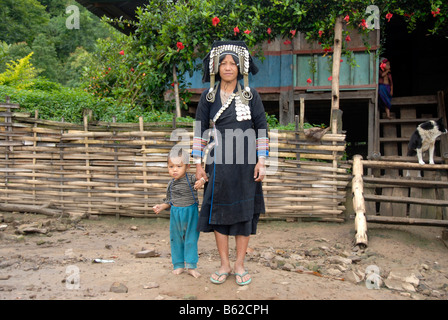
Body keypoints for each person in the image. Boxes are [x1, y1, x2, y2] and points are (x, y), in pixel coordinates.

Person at [192, 41, 269, 286]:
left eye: (232, 64)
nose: (227, 67)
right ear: (216, 67)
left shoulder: (250, 95)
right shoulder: (208, 96)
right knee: (219, 213)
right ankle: (224, 264)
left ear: (239, 68)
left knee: (245, 213)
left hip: (246, 164)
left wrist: (262, 161)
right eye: (223, 63)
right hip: (217, 163)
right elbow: (199, 130)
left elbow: (262, 128)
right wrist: (198, 164)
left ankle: (240, 265)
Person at [153, 148, 205, 278]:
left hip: (191, 213)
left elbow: (205, 177)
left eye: (178, 166)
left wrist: (201, 182)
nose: (174, 170)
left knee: (191, 239)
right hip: (176, 214)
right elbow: (170, 201)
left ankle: (191, 266)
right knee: (176, 239)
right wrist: (161, 206)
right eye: (171, 166)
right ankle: (178, 264)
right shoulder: (171, 185)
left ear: (187, 166)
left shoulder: (191, 178)